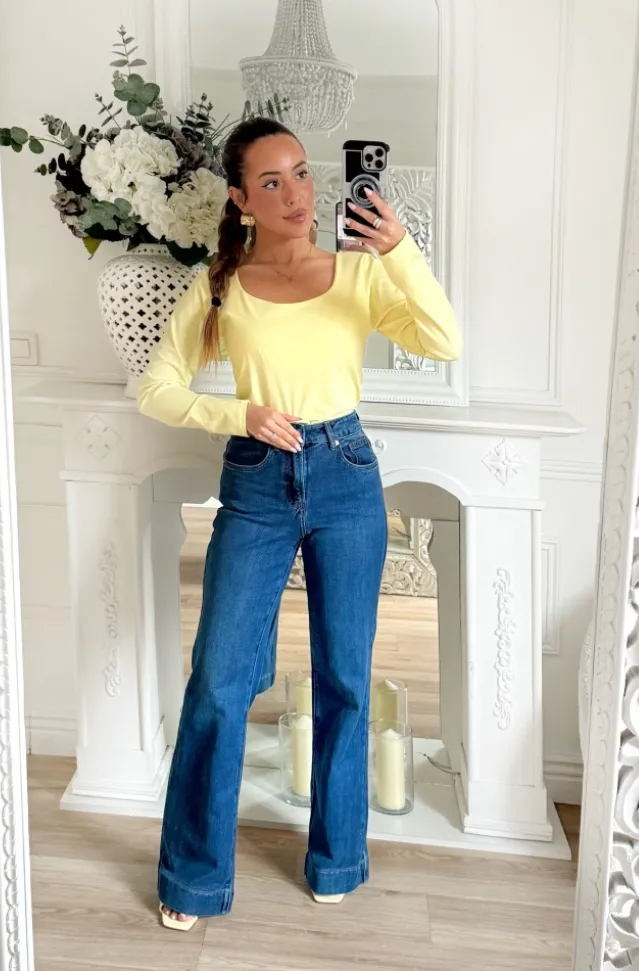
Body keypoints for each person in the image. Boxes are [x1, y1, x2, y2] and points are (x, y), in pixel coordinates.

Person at [137, 117, 461, 931]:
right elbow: (157, 386)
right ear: (241, 199)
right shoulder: (221, 285)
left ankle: (337, 856)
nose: (295, 194)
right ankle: (194, 877)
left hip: (346, 474)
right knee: (218, 678)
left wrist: (398, 249)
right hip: (256, 476)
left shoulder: (358, 272)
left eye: (303, 173)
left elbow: (444, 340)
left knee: (346, 677)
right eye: (272, 182)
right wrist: (237, 413)